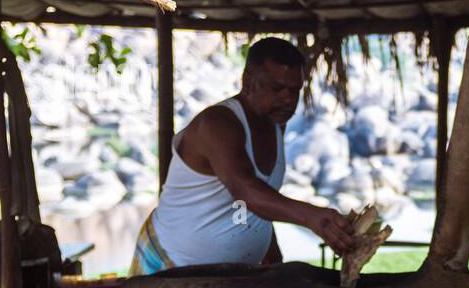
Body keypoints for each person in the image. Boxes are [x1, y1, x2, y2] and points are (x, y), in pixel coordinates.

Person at [129, 37, 356, 275]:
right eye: (276, 88)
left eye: (294, 90)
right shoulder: (216, 124)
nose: (288, 99)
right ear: (248, 81)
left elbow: (258, 200)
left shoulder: (275, 123)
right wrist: (313, 217)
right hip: (170, 268)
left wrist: (272, 255)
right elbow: (246, 191)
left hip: (232, 279)